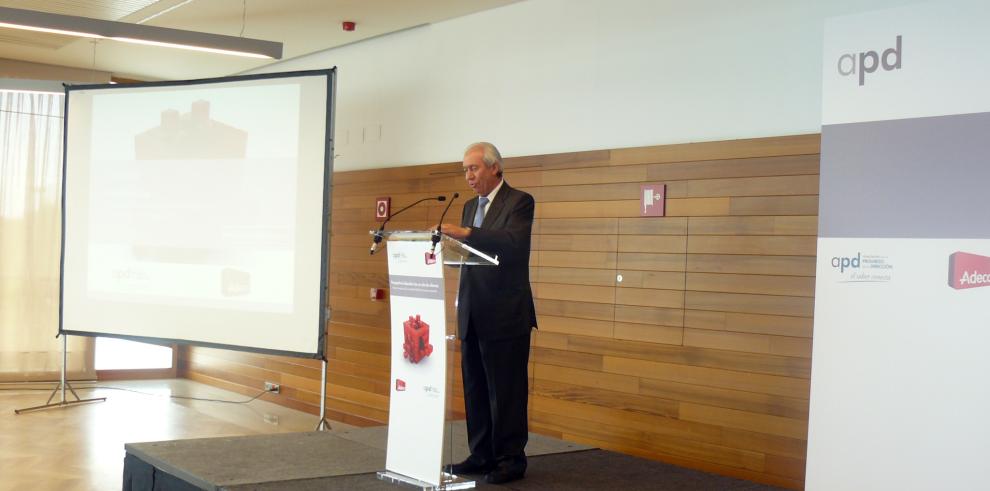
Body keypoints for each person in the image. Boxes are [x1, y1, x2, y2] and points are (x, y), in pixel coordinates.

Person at [439, 142, 536, 484]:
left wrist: (466, 233)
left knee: (506, 390)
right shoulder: (467, 206)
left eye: (474, 168)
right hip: (472, 312)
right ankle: (481, 455)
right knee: (476, 388)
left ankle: (511, 459)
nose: (468, 175)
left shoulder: (519, 202)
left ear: (495, 168)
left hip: (506, 314)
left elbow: (512, 243)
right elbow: (465, 255)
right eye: (465, 169)